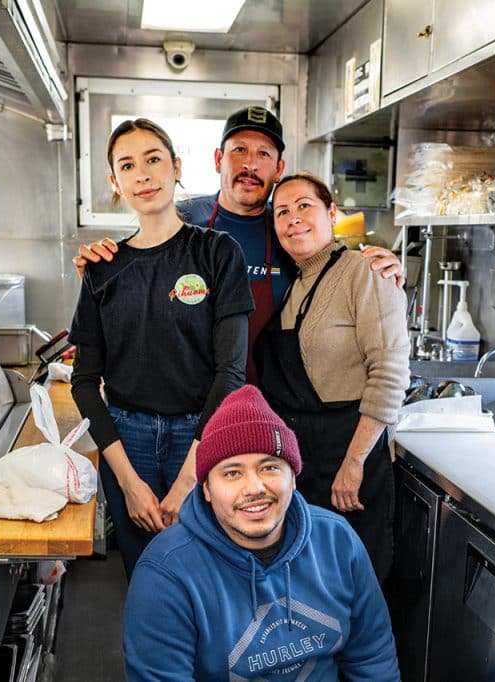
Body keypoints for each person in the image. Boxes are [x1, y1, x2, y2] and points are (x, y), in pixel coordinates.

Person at [73, 106, 405, 375]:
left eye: (263, 154)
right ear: (219, 159)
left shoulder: (291, 228)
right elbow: (139, 278)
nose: (249, 164)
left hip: (275, 399)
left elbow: (334, 272)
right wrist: (101, 267)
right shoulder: (183, 219)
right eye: (239, 151)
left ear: (279, 168)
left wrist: (379, 266)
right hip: (192, 401)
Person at [69, 118, 254, 580]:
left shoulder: (217, 252)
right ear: (116, 182)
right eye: (127, 166)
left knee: (209, 578)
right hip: (125, 441)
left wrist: (189, 477)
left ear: (176, 167)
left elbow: (231, 373)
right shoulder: (103, 268)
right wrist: (128, 483)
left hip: (201, 435)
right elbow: (84, 382)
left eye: (153, 159)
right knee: (147, 577)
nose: (144, 175)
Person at [123, 385, 400, 681]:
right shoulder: (166, 573)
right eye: (232, 472)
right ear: (206, 489)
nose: (254, 488)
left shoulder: (338, 543)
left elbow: (373, 661)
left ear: (293, 477)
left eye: (269, 467)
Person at [255, 172, 410, 585]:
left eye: (304, 205)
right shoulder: (295, 283)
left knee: (352, 582)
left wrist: (355, 462)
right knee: (310, 583)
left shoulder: (367, 272)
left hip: (349, 452)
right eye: (282, 212)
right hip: (305, 459)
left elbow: (390, 373)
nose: (293, 219)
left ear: (332, 213)